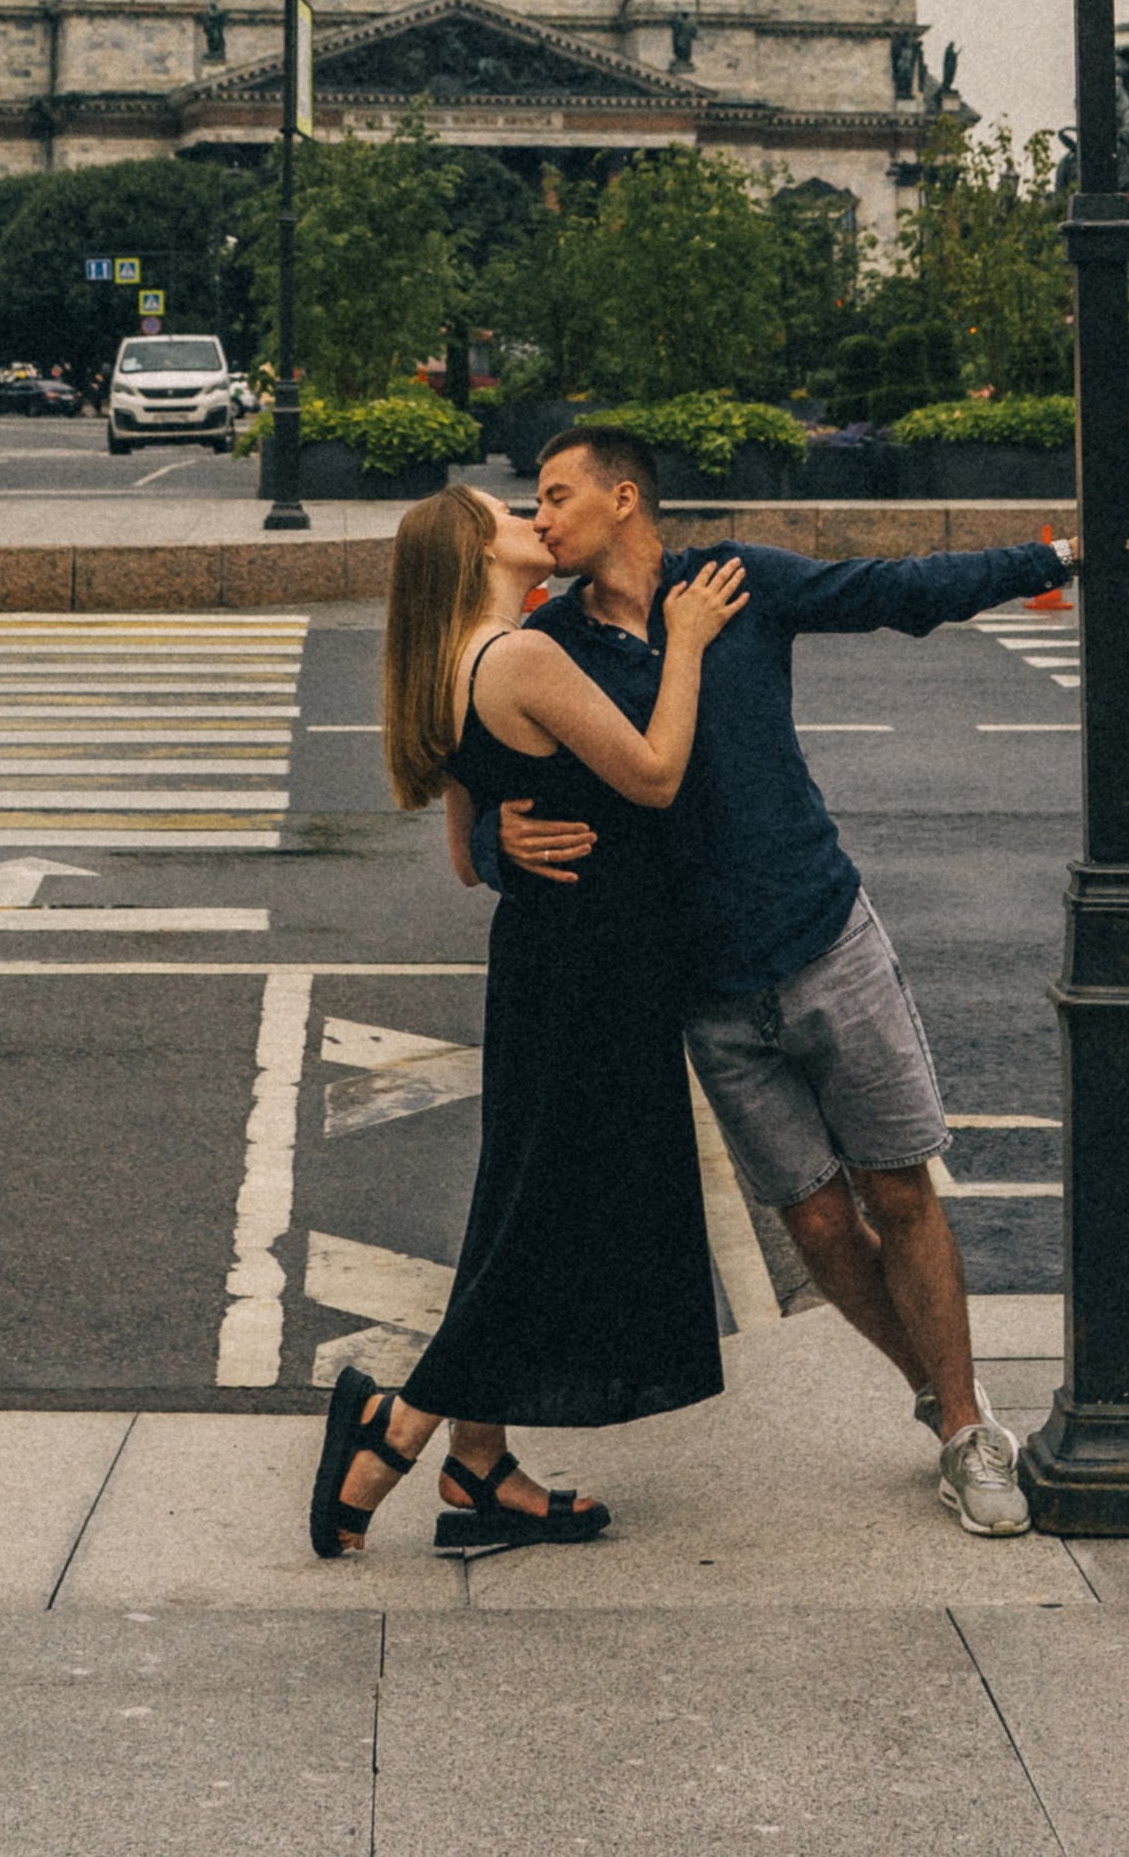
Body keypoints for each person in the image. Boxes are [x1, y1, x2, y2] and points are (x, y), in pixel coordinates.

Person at [489, 429, 1121, 1541]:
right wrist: (498, 842)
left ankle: (965, 1427)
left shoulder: (736, 582)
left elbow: (895, 592)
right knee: (819, 1229)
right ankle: (937, 1392)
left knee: (897, 1193)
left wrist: (1057, 557)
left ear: (623, 497)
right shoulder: (551, 642)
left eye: (555, 496)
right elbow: (492, 764)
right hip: (704, 988)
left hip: (824, 935)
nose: (539, 520)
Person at [309, 485, 746, 1561]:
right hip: (596, 969)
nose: (528, 516)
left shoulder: (450, 667)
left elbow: (467, 860)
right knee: (547, 1213)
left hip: (542, 963)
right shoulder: (518, 660)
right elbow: (651, 775)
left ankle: (479, 1460)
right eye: (505, 509)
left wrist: (508, 822)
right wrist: (685, 641)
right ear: (473, 547)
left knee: (522, 1202)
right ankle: (394, 1433)